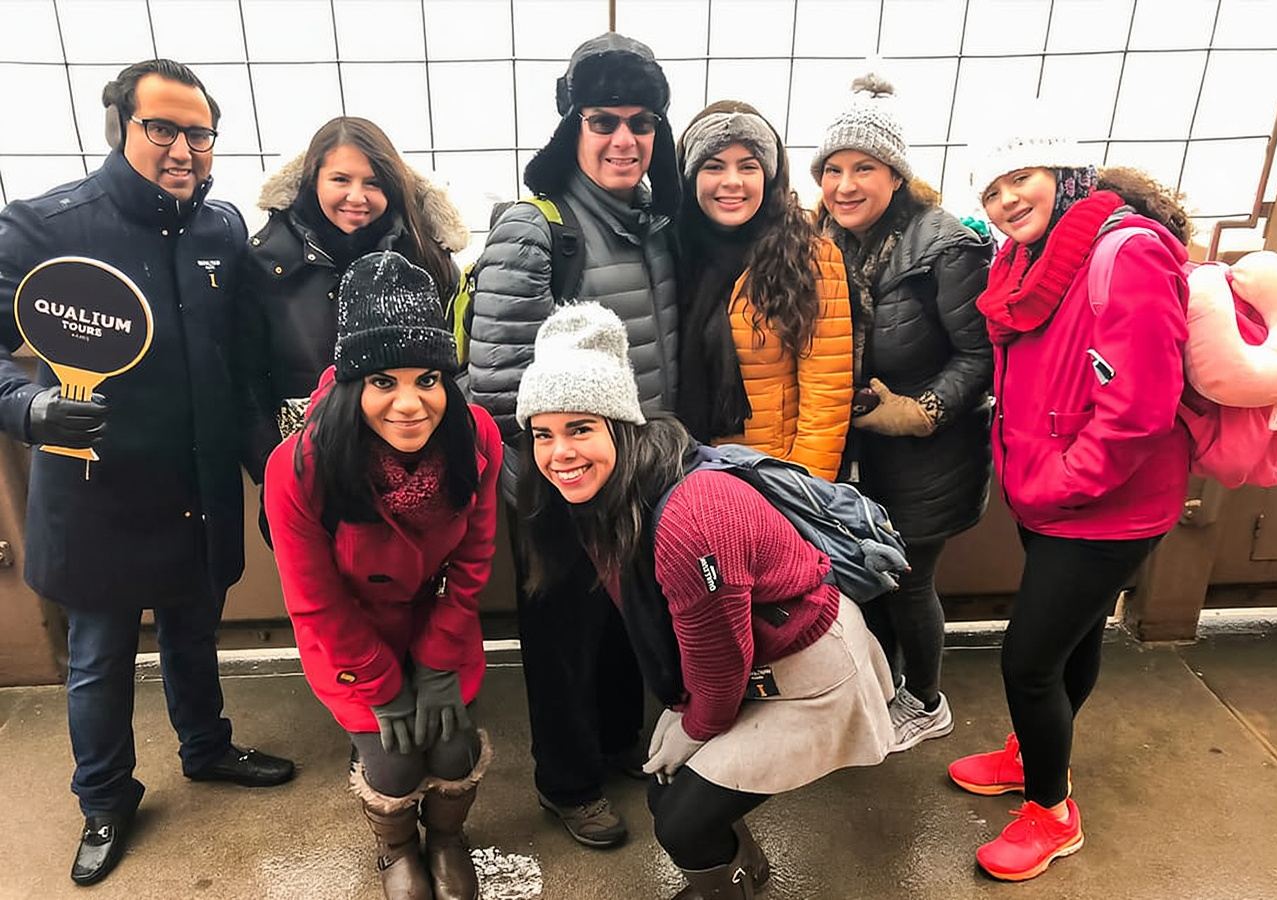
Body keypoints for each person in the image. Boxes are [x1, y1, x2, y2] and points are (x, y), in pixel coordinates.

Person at [0, 59, 294, 886]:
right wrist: (27, 407)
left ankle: (207, 747)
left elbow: (243, 360)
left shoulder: (221, 228)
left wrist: (270, 467)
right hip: (97, 488)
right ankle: (103, 798)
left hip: (198, 480)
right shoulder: (43, 225)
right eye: (161, 128)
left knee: (195, 628)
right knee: (99, 655)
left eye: (199, 133)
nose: (182, 149)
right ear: (119, 126)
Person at [514, 302, 895, 899]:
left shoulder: (691, 518)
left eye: (580, 428)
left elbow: (721, 660)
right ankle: (742, 875)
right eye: (543, 433)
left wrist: (695, 722)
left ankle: (724, 886)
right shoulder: (610, 496)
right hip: (756, 659)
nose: (559, 453)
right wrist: (687, 711)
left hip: (808, 665)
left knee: (680, 820)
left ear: (621, 424)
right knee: (671, 793)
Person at [949, 125, 1193, 881]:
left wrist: (1058, 482)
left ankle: (1052, 813)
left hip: (1107, 504)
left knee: (1027, 662)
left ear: (1065, 173)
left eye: (1021, 177)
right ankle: (1034, 755)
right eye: (991, 190)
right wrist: (1041, 485)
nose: (1006, 200)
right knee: (1072, 641)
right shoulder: (1027, 261)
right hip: (1051, 494)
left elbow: (1140, 410)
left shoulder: (1128, 254)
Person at [466, 32, 681, 848]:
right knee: (563, 638)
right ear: (573, 128)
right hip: (555, 478)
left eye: (641, 122)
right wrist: (557, 468)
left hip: (636, 474)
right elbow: (496, 380)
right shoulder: (537, 229)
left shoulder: (653, 223)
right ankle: (568, 782)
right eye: (603, 121)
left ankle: (620, 742)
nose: (625, 139)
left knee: (629, 621)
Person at [265, 251, 500, 900]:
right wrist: (380, 684)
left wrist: (440, 657)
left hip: (438, 620)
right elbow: (314, 601)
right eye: (382, 381)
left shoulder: (474, 435)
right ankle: (395, 847)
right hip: (349, 637)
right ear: (353, 385)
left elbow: (474, 557)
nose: (409, 403)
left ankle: (447, 838)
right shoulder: (300, 466)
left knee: (452, 749)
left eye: (428, 378)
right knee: (393, 764)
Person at [812, 73, 993, 750]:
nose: (845, 185)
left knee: (909, 581)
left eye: (864, 168)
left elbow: (980, 354)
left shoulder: (944, 244)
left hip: (928, 454)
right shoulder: (822, 239)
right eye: (832, 169)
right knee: (866, 575)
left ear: (896, 174)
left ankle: (926, 699)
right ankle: (881, 686)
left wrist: (923, 411)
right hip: (855, 447)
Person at [237, 116, 468, 532]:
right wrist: (274, 470)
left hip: (409, 473)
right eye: (341, 179)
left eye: (373, 183)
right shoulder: (265, 262)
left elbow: (451, 370)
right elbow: (245, 379)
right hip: (307, 471)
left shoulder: (428, 258)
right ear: (313, 179)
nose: (357, 196)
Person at [675, 101, 852, 480]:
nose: (732, 181)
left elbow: (826, 397)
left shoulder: (809, 256)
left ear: (769, 176)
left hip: (771, 475)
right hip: (683, 472)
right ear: (690, 177)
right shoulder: (670, 252)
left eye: (748, 166)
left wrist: (801, 490)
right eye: (714, 166)